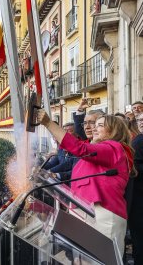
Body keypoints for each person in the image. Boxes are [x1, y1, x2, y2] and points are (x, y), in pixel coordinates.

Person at [37, 110, 134, 254]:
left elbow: (78, 147)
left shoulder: (114, 148)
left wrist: (48, 123)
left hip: (103, 212)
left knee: (101, 258)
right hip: (85, 210)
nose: (94, 128)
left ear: (114, 131)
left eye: (100, 125)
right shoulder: (100, 151)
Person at [130, 112, 143, 264]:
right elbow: (134, 168)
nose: (142, 122)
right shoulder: (139, 141)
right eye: (140, 120)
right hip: (139, 198)